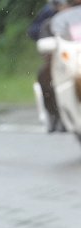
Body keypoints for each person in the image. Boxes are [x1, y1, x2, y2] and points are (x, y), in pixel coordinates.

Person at [29, 0, 78, 132]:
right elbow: (36, 33)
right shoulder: (50, 20)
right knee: (45, 76)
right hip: (63, 60)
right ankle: (54, 112)